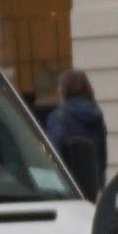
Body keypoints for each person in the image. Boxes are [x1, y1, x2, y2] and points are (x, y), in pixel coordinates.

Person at [43, 70, 106, 198]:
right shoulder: (97, 116)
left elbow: (53, 155)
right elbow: (102, 156)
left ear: (64, 89)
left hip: (67, 188)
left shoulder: (58, 117)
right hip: (92, 187)